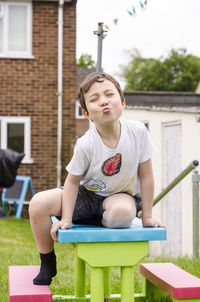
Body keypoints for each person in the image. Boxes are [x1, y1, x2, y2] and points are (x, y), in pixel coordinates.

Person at [29, 72, 164, 286]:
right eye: (94, 99)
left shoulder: (138, 132)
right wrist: (66, 218)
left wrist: (147, 216)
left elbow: (146, 175)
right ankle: (47, 261)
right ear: (86, 113)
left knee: (122, 213)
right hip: (86, 196)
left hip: (118, 196)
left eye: (109, 94)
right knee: (38, 203)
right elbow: (72, 182)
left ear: (122, 102)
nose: (103, 101)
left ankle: (100, 219)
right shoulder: (85, 143)